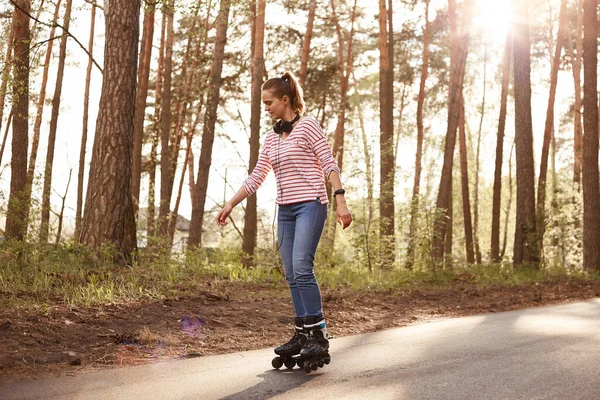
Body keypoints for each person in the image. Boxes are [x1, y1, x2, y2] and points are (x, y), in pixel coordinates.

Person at [216, 71, 352, 371]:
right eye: (264, 104)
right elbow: (256, 177)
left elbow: (329, 163)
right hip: (286, 211)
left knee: (303, 266)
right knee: (291, 273)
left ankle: (318, 334)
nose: (266, 109)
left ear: (285, 100)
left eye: (269, 103)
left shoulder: (308, 127)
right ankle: (302, 333)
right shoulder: (271, 138)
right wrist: (229, 204)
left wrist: (340, 199)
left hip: (311, 206)